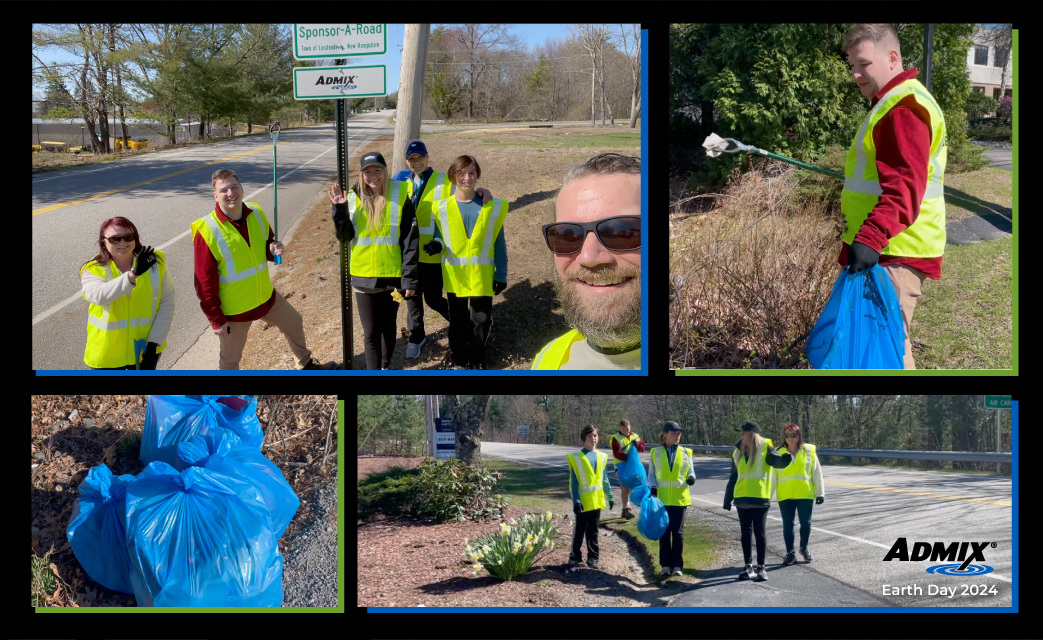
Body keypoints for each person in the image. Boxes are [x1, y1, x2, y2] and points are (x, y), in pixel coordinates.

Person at [840, 24, 947, 369]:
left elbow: (903, 188)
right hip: (890, 249)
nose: (856, 74)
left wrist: (871, 238)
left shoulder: (901, 108)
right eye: (852, 65)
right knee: (881, 347)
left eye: (864, 64)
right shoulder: (894, 102)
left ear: (892, 57)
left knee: (887, 356)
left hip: (894, 252)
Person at [192, 168, 336, 370]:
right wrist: (216, 320)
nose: (231, 193)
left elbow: (266, 246)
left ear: (242, 188)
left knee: (294, 322)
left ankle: (305, 365)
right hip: (235, 312)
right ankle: (228, 399)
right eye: (224, 190)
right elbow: (203, 282)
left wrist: (274, 249)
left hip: (266, 298)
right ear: (215, 196)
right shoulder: (206, 230)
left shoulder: (256, 212)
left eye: (234, 187)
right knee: (230, 360)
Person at [532, 153, 641, 369]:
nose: (589, 258)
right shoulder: (547, 360)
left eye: (623, 231)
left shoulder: (705, 355)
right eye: (567, 235)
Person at [391, 139, 493, 360]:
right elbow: (377, 188)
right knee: (412, 298)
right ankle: (416, 337)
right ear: (406, 161)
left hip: (432, 253)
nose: (416, 162)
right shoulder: (399, 180)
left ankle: (465, 322)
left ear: (428, 157)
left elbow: (464, 189)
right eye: (411, 159)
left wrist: (483, 192)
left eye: (420, 158)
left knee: (433, 299)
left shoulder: (441, 180)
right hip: (408, 252)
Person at [331, 152, 419, 369]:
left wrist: (409, 278)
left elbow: (410, 240)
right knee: (370, 332)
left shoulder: (399, 193)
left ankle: (385, 367)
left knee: (388, 329)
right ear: (362, 174)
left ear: (385, 170)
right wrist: (339, 211)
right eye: (367, 172)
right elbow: (344, 237)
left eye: (377, 170)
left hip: (392, 276)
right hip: (364, 277)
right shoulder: (352, 196)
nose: (373, 176)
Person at [425, 154, 508, 369]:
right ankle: (459, 358)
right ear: (453, 177)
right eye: (461, 174)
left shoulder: (490, 205)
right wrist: (436, 245)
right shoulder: (442, 208)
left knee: (480, 320)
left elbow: (499, 242)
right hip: (456, 277)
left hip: (482, 276)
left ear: (477, 175)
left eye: (472, 173)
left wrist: (501, 274)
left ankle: (477, 358)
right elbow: (440, 237)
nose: (467, 178)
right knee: (458, 322)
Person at [79, 217, 174, 369]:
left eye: (128, 237)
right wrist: (132, 275)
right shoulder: (93, 268)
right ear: (104, 242)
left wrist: (154, 343)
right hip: (107, 355)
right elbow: (99, 297)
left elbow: (167, 302)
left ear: (135, 238)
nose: (122, 243)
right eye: (114, 239)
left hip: (145, 350)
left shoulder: (154, 263)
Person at [723, 421, 792, 582]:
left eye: (743, 433)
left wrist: (786, 457)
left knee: (759, 534)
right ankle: (748, 568)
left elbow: (777, 462)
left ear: (752, 434)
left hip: (760, 498)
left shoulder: (765, 448)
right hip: (742, 499)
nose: (741, 436)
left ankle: (761, 568)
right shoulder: (737, 452)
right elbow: (733, 477)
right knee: (745, 534)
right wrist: (728, 499)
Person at [648, 421, 695, 577]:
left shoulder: (686, 452)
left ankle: (677, 565)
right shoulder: (655, 453)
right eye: (674, 433)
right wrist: (653, 489)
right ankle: (665, 565)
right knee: (664, 533)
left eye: (679, 434)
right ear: (666, 434)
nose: (677, 436)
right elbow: (651, 475)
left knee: (678, 533)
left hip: (680, 499)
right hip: (662, 500)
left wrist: (691, 478)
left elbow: (691, 471)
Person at [773, 423, 824, 565]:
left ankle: (804, 548)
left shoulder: (808, 451)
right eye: (787, 435)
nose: (790, 438)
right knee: (788, 525)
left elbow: (816, 473)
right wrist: (767, 496)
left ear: (798, 435)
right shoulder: (778, 453)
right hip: (785, 495)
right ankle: (790, 553)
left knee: (805, 524)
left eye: (793, 435)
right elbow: (773, 477)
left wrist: (820, 493)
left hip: (805, 494)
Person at [567, 425, 612, 570]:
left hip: (597, 501)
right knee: (580, 530)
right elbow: (574, 481)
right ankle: (575, 557)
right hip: (583, 502)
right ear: (584, 438)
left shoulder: (602, 457)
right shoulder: (576, 458)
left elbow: (604, 478)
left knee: (593, 531)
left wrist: (609, 495)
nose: (593, 438)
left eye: (595, 435)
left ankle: (593, 558)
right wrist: (576, 500)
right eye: (590, 436)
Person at [608, 419, 644, 519]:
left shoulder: (635, 436)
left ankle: (633, 508)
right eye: (624, 429)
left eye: (627, 428)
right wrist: (629, 457)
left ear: (630, 427)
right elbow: (617, 453)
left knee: (635, 487)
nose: (626, 431)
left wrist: (637, 444)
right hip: (621, 466)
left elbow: (642, 448)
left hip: (633, 466)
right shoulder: (616, 438)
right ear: (620, 428)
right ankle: (626, 509)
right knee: (624, 487)